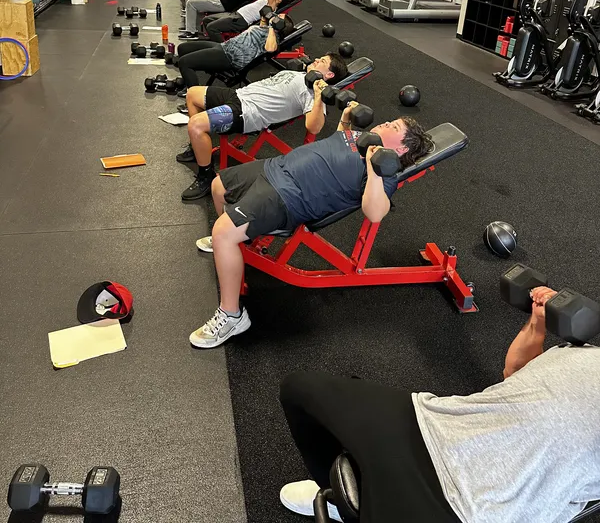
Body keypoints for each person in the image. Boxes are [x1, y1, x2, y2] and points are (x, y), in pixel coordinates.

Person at [278, 287, 600, 523]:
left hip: (468, 509)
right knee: (299, 390)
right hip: (430, 426)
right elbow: (515, 374)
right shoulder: (587, 353)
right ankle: (337, 497)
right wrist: (537, 324)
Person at [189, 107, 433, 348]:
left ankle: (232, 316)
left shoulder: (383, 170)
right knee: (219, 186)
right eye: (391, 120)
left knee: (222, 232)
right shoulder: (364, 139)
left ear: (401, 149)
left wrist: (373, 167)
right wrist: (346, 120)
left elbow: (375, 212)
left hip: (288, 196)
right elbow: (335, 145)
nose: (387, 122)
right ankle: (235, 241)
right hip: (277, 167)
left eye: (395, 127)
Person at [177, 52, 349, 200]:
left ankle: (206, 176)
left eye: (323, 62)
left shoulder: (312, 93)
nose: (317, 59)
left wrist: (319, 94)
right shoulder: (300, 75)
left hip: (246, 111)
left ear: (329, 75)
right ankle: (197, 149)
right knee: (192, 94)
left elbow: (314, 128)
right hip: (239, 95)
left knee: (196, 125)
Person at [177, 11, 295, 92]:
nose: (275, 17)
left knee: (184, 62)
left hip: (229, 58)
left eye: (278, 18)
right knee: (183, 48)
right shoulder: (267, 31)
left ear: (280, 26)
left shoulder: (274, 39)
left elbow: (270, 49)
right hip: (223, 47)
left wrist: (272, 28)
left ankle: (193, 97)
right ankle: (187, 83)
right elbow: (260, 27)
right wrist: (264, 19)